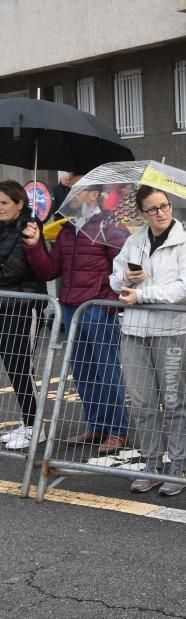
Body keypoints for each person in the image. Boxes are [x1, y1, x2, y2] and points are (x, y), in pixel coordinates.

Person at [23, 185, 130, 455]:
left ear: (94, 195)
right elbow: (50, 270)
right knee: (82, 370)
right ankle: (97, 424)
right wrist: (35, 245)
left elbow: (124, 265)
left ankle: (118, 430)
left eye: (78, 192)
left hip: (96, 308)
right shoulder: (67, 229)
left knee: (107, 369)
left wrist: (107, 301)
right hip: (71, 307)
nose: (72, 198)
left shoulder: (109, 225)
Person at [110, 186, 186, 496]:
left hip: (172, 333)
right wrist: (127, 278)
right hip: (133, 332)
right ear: (142, 213)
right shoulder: (133, 242)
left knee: (175, 401)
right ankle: (152, 463)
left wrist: (144, 293)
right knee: (142, 403)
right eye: (153, 209)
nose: (161, 213)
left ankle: (178, 465)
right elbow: (113, 280)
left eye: (164, 206)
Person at [0, 181, 46, 451]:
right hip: (4, 305)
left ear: (19, 204)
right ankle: (28, 423)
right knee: (11, 368)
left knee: (21, 368)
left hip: (23, 307)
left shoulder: (29, 229)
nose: (0, 208)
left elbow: (14, 270)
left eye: (4, 203)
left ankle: (35, 425)